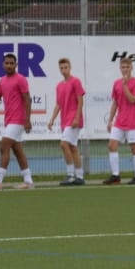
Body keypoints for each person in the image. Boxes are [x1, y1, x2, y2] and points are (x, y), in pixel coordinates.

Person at [0, 52, 35, 189]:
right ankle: (28, 181)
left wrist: (27, 120)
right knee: (18, 150)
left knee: (4, 146)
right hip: (9, 120)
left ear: (16, 65)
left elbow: (27, 99)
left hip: (18, 120)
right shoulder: (2, 81)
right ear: (3, 65)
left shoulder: (21, 79)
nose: (9, 65)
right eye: (7, 63)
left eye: (11, 63)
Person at [104, 56, 135, 185]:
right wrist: (110, 120)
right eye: (123, 67)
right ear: (120, 68)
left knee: (134, 149)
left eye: (127, 67)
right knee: (111, 145)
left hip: (133, 121)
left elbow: (132, 100)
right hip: (120, 121)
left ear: (131, 68)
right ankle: (115, 176)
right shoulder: (116, 83)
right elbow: (115, 102)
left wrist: (125, 86)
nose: (125, 69)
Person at [47, 57, 86, 185]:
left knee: (64, 144)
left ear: (70, 67)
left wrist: (77, 117)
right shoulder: (59, 86)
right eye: (61, 68)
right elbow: (58, 104)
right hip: (65, 120)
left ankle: (70, 175)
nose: (64, 70)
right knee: (73, 147)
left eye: (66, 67)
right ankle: (79, 177)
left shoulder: (76, 81)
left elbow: (80, 101)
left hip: (73, 119)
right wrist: (52, 119)